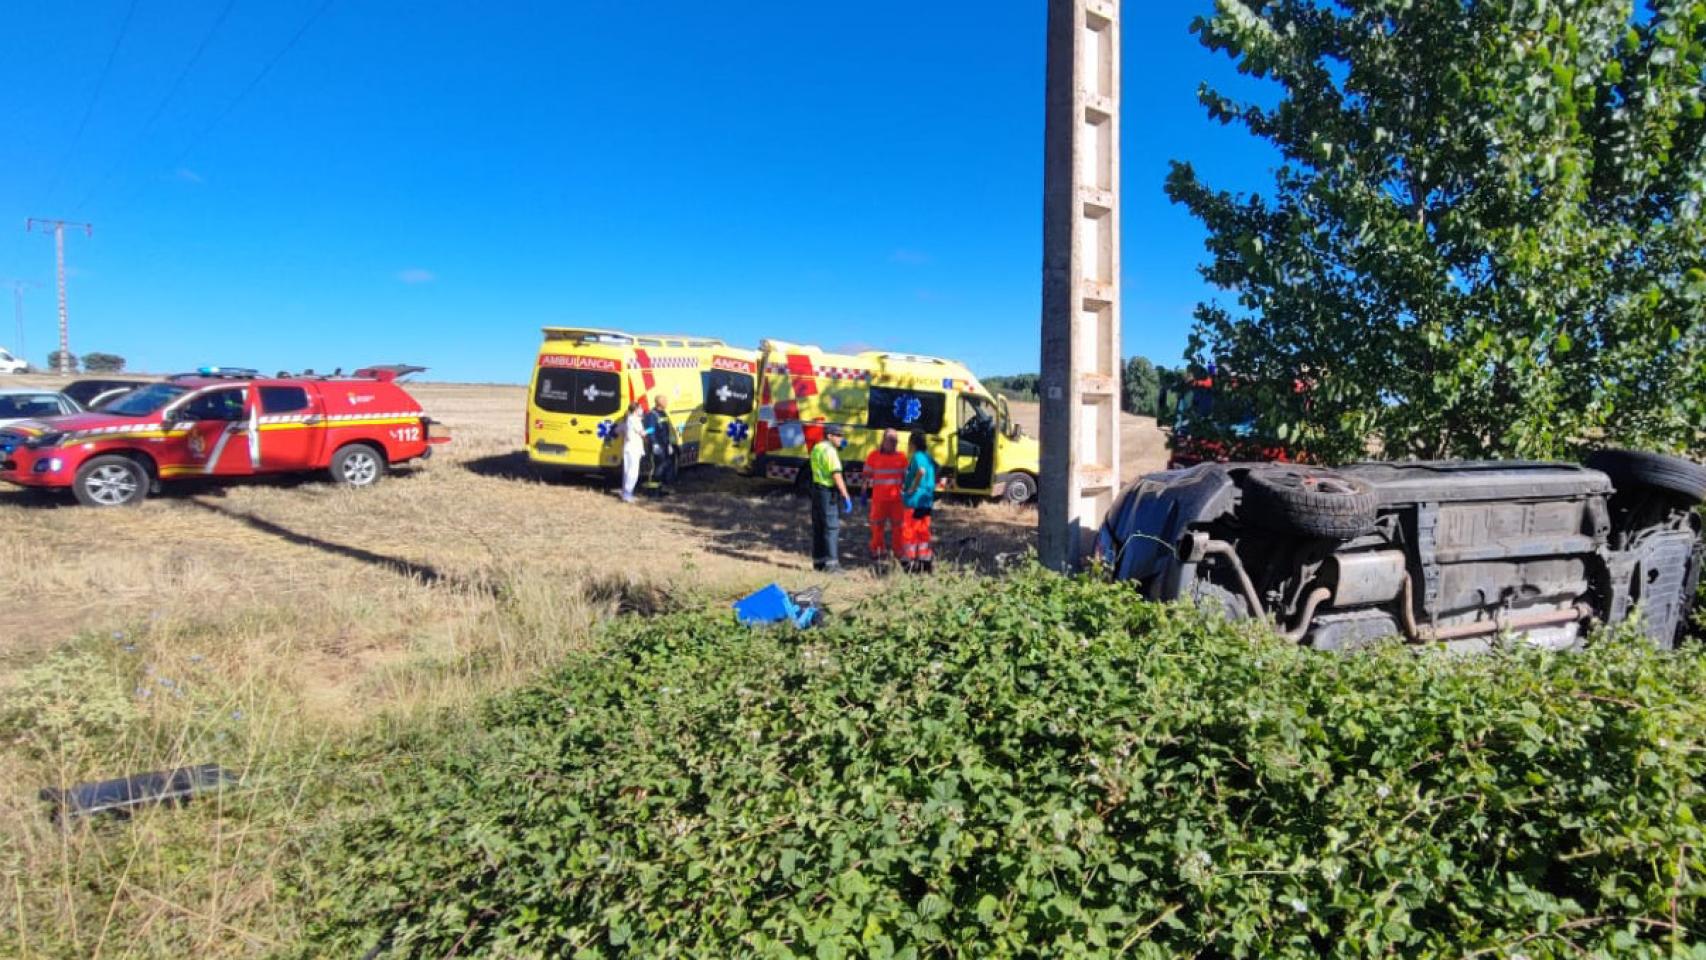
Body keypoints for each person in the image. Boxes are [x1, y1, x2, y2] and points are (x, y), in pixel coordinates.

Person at [808, 423, 853, 572]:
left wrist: (839, 446)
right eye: (838, 435)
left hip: (816, 490)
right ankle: (832, 565)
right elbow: (836, 475)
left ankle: (819, 562)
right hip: (828, 491)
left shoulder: (817, 448)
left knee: (819, 527)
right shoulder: (830, 451)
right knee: (831, 527)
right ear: (829, 436)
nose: (841, 438)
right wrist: (845, 495)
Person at [862, 428, 907, 565]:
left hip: (896, 500)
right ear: (884, 440)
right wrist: (864, 491)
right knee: (877, 526)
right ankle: (877, 550)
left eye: (895, 441)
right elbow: (866, 476)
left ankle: (898, 551)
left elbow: (907, 478)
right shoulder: (873, 456)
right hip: (879, 500)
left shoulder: (901, 457)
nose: (894, 444)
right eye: (891, 441)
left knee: (898, 527)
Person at [900, 430, 936, 573]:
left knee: (909, 532)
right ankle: (925, 562)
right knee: (923, 531)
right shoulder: (928, 457)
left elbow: (921, 471)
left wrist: (912, 488)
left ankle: (909, 563)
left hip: (914, 501)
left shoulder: (917, 457)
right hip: (926, 501)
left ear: (912, 444)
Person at [643, 395, 678, 495]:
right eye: (665, 401)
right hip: (657, 445)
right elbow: (650, 430)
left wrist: (670, 443)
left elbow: (667, 430)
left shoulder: (664, 414)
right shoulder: (652, 415)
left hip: (665, 444)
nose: (667, 402)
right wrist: (654, 444)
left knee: (665, 466)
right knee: (656, 468)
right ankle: (653, 491)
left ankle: (662, 488)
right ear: (659, 403)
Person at [620, 400, 647, 503]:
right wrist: (648, 431)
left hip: (628, 447)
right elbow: (642, 433)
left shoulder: (628, 419)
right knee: (633, 472)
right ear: (636, 410)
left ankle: (626, 493)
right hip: (634, 448)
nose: (641, 410)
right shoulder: (635, 420)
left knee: (627, 471)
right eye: (640, 408)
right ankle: (628, 493)